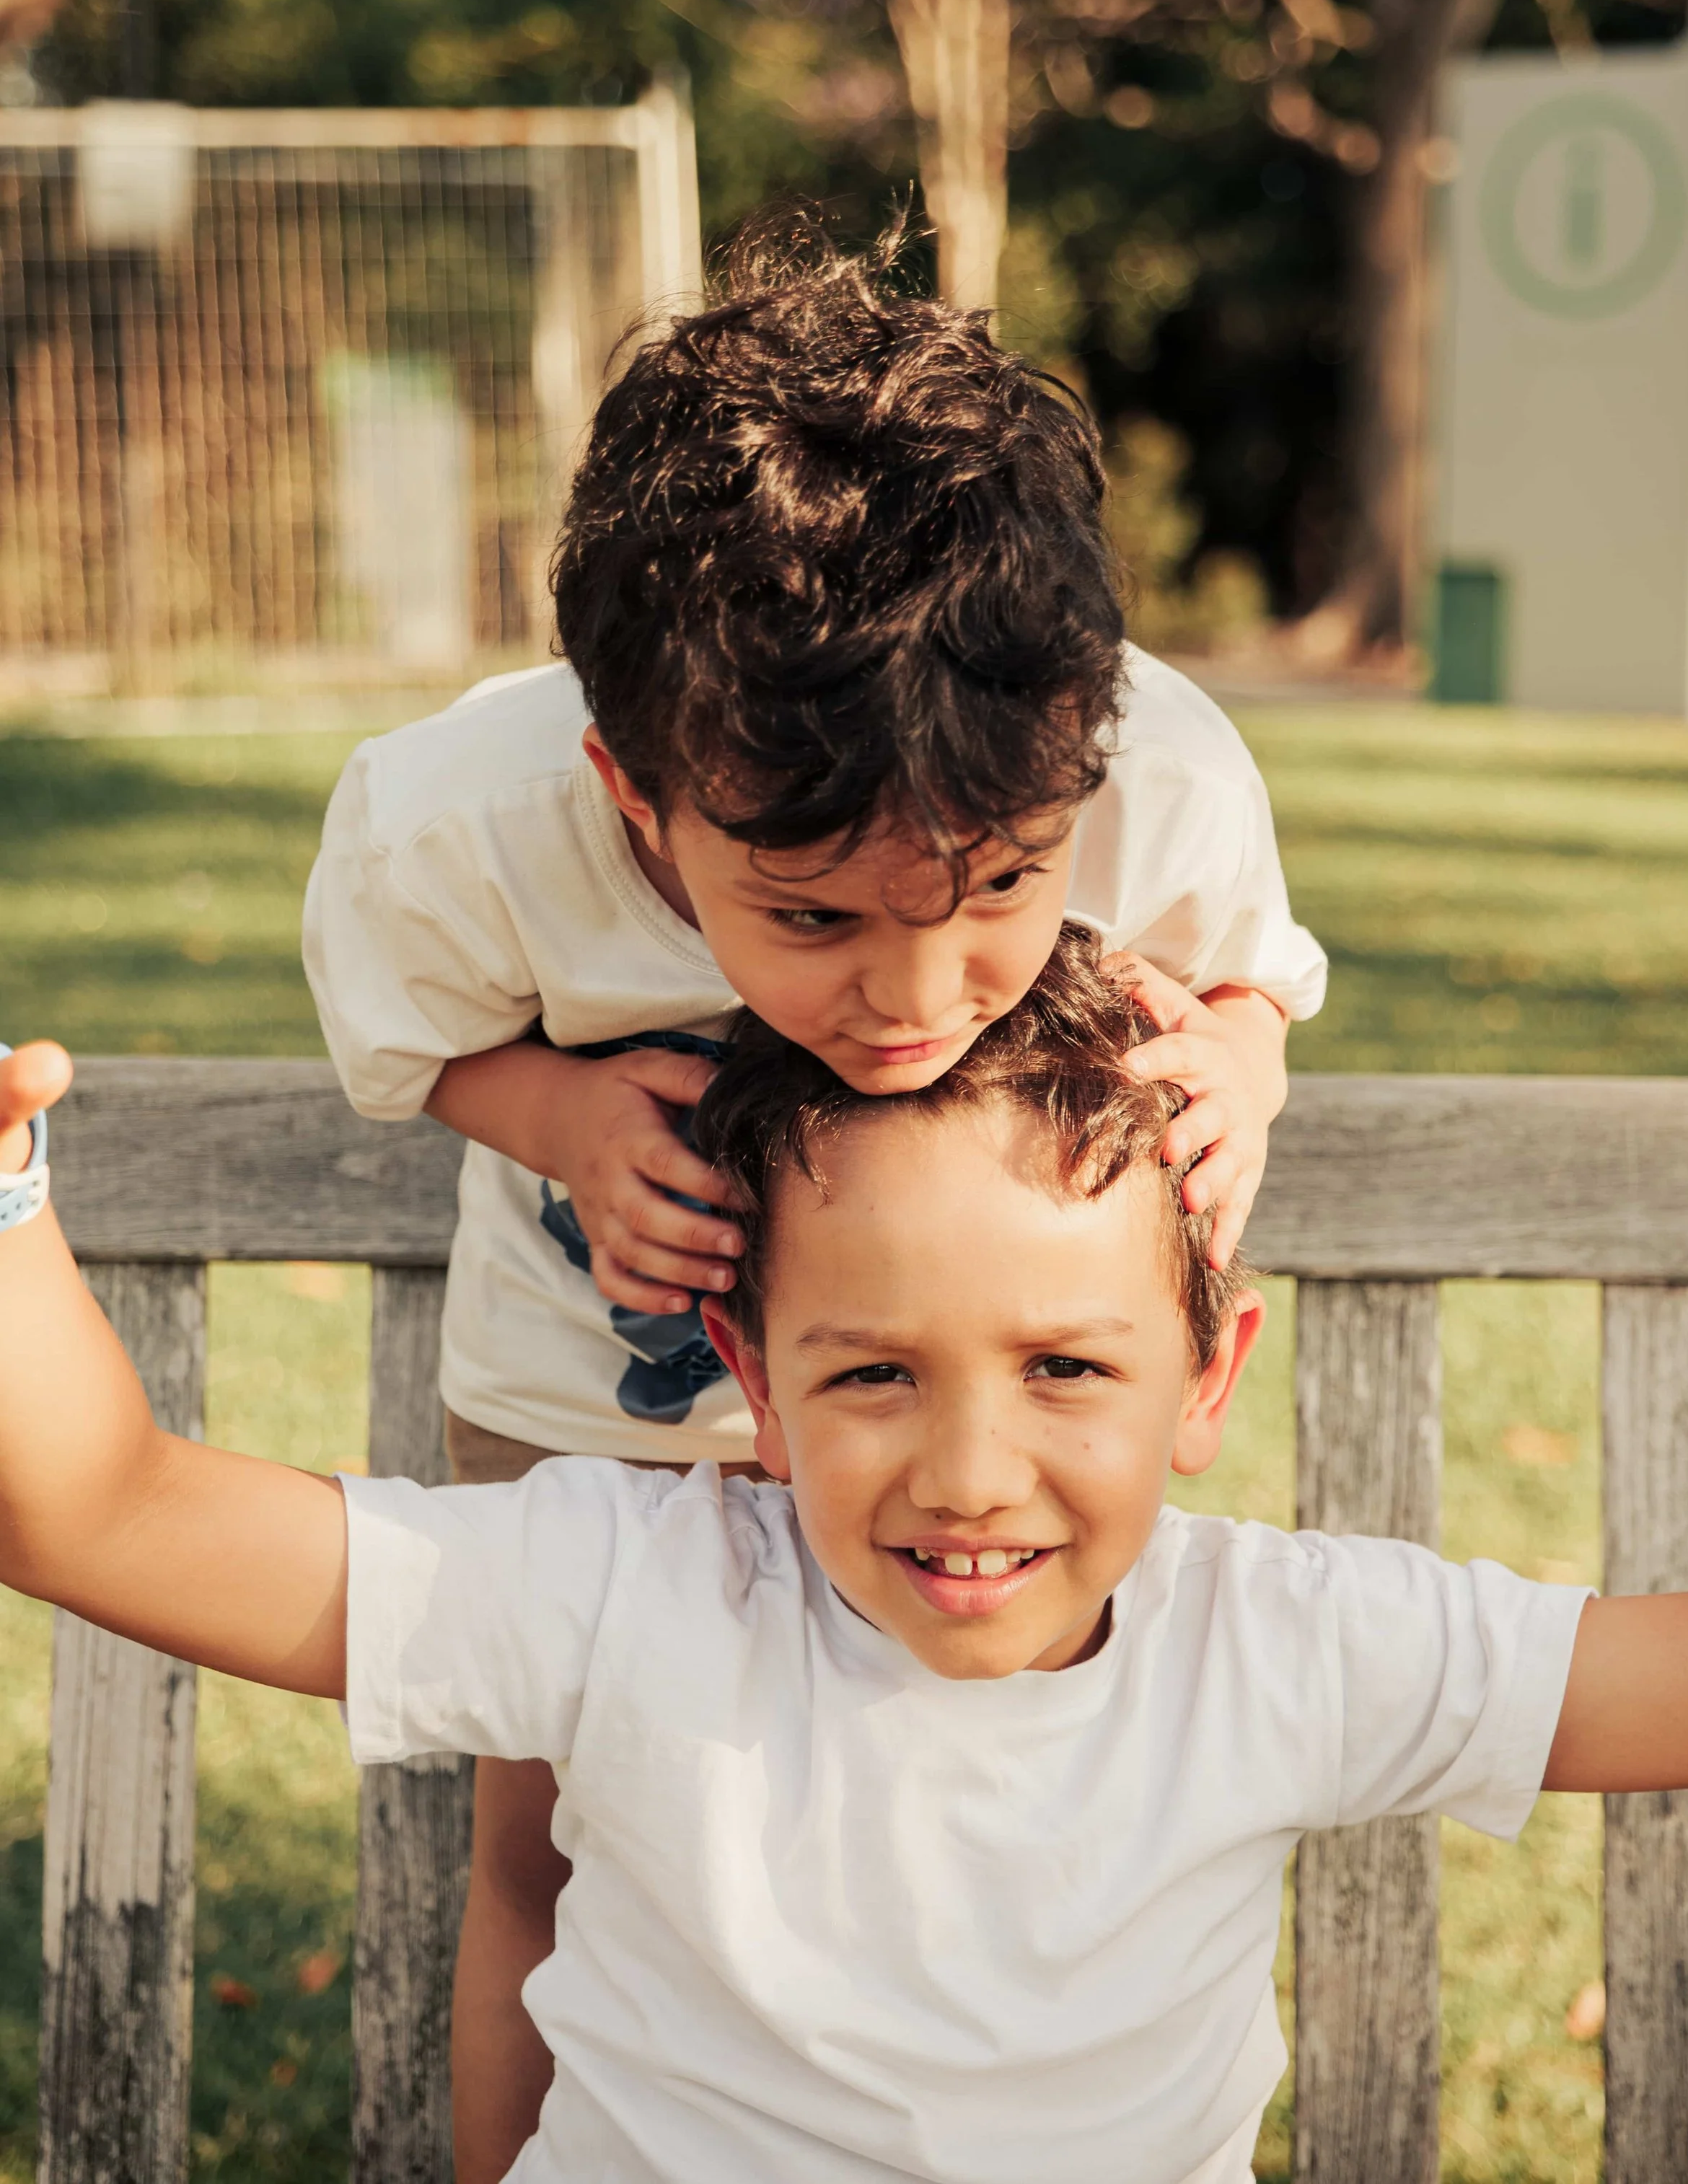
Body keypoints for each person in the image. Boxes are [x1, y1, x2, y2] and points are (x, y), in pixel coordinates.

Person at [3, 938, 1688, 2184]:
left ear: (1206, 1377)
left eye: (1068, 1368)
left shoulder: (1284, 1646)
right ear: (752, 1388)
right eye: (869, 1372)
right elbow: (102, 1510)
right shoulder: (628, 1587)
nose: (967, 1474)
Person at [300, 210, 1328, 2174]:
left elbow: (1247, 973)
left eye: (999, 896)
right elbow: (405, 1031)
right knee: (556, 1833)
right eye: (809, 916)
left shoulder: (1151, 770)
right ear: (632, 791)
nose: (920, 1003)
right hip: (589, 1388)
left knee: (919, 1797)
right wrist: (567, 1125)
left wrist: (1242, 1063)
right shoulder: (465, 822)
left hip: (954, 1385)